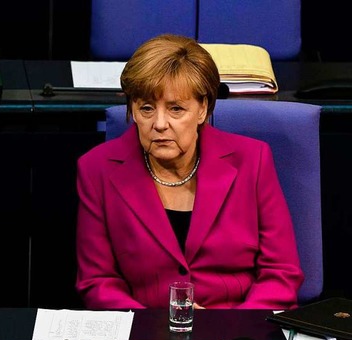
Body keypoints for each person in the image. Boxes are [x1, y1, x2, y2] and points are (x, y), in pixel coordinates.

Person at [75, 34, 304, 311]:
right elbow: (98, 281)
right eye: (146, 108)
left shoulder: (252, 161)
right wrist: (151, 329)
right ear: (132, 108)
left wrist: (231, 328)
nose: (159, 124)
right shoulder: (96, 169)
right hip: (146, 335)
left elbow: (280, 273)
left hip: (239, 333)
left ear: (202, 109)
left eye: (176, 109)